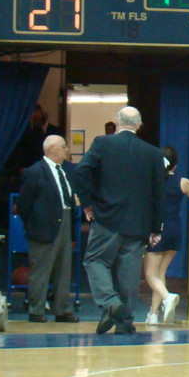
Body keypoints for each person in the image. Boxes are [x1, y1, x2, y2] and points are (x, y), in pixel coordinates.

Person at [74, 106, 165, 335]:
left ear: (116, 121)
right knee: (129, 274)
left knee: (94, 261)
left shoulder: (103, 143)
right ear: (139, 125)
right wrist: (155, 227)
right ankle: (125, 322)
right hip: (139, 222)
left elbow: (81, 171)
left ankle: (111, 304)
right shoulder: (153, 153)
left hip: (106, 217)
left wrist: (87, 203)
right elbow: (157, 193)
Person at [16, 134, 79, 323]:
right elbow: (24, 205)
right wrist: (34, 224)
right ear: (52, 148)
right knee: (41, 270)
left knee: (64, 269)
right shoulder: (34, 172)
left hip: (65, 224)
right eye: (64, 146)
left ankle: (62, 309)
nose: (67, 149)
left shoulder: (65, 171)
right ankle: (37, 310)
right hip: (42, 227)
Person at [145, 147, 189, 325]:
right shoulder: (184, 182)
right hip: (175, 229)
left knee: (150, 274)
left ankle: (167, 298)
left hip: (157, 228)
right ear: (177, 163)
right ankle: (153, 314)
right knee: (160, 273)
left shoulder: (152, 180)